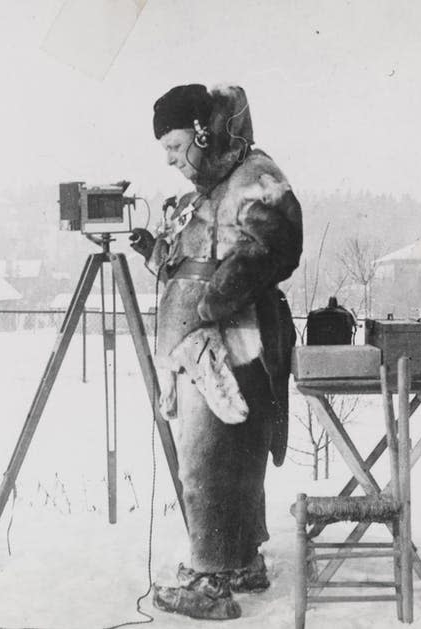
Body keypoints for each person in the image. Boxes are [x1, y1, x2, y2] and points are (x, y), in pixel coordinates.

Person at [129, 83, 302, 620]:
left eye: (177, 147)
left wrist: (213, 300)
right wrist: (154, 252)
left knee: (207, 462)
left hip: (236, 344)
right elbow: (195, 260)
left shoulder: (254, 176)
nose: (172, 159)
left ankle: (211, 580)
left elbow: (276, 245)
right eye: (165, 152)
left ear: (204, 133)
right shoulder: (212, 186)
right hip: (209, 347)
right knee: (232, 458)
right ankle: (241, 561)